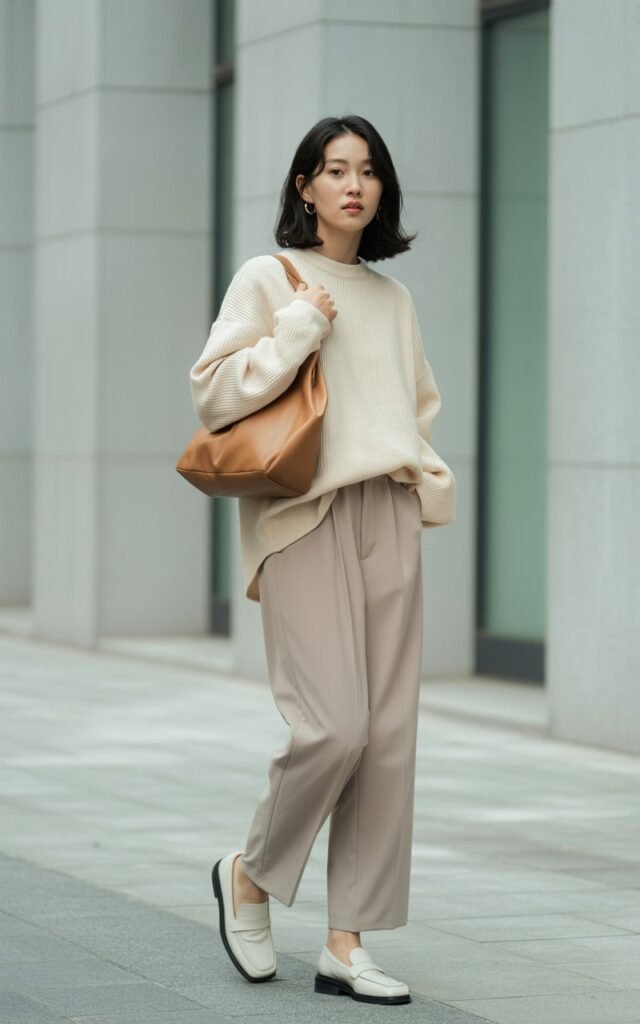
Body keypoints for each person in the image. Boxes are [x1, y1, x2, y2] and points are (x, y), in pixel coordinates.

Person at [190, 114, 456, 1006]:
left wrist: (424, 472)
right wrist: (298, 327)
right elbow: (214, 390)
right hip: (303, 515)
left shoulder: (392, 298)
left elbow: (412, 407)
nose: (354, 184)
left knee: (386, 742)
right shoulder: (271, 278)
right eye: (334, 169)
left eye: (369, 170)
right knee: (333, 726)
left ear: (381, 191)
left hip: (387, 510)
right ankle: (252, 876)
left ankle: (348, 942)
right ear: (304, 186)